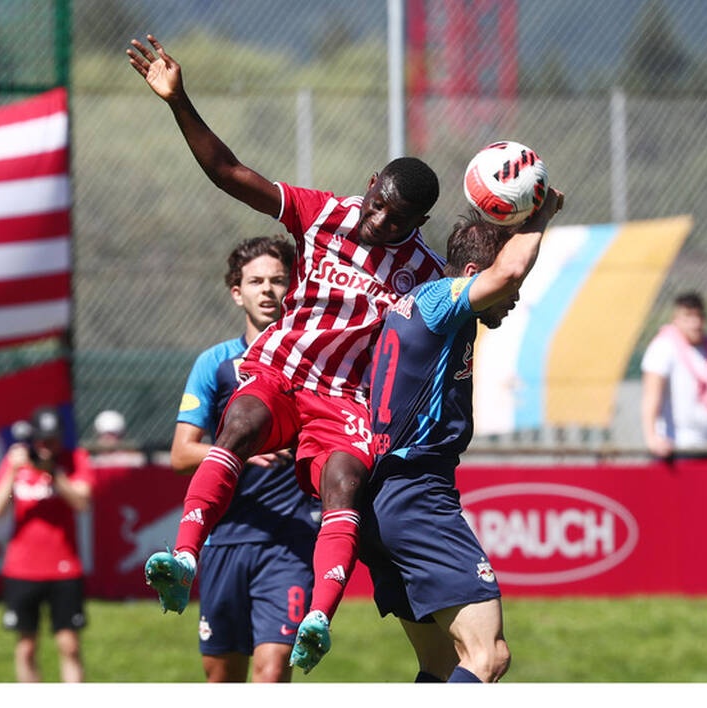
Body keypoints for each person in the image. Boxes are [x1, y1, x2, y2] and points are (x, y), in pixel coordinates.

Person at [127, 33, 446, 672]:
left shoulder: (426, 273)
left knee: (344, 485)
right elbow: (228, 172)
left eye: (398, 221)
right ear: (370, 186)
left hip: (346, 400)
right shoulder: (321, 213)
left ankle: (320, 618)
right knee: (239, 422)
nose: (381, 223)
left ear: (418, 225)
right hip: (284, 370)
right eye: (379, 206)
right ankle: (185, 555)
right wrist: (178, 99)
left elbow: (471, 311)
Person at [361, 188, 564, 683]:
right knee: (487, 655)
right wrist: (543, 215)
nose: (515, 296)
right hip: (416, 498)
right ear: (471, 277)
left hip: (380, 498)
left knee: (441, 665)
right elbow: (508, 273)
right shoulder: (440, 302)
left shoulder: (414, 304)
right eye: (504, 288)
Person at [171, 235, 320, 682]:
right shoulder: (215, 364)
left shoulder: (315, 362)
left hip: (292, 541)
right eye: (256, 281)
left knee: (272, 672)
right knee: (222, 678)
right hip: (226, 539)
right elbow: (181, 452)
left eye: (278, 280)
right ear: (237, 292)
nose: (268, 290)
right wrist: (239, 452)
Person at [0, 406, 94, 682]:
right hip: (22, 569)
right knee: (26, 647)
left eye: (53, 440)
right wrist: (13, 470)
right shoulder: (16, 464)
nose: (47, 447)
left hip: (64, 568)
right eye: (42, 440)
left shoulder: (74, 460)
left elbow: (82, 501)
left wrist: (54, 474)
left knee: (69, 645)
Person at [640, 291, 707, 460]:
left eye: (699, 316)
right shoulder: (663, 347)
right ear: (676, 319)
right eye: (688, 317)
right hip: (675, 446)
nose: (695, 323)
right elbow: (651, 395)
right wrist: (652, 437)